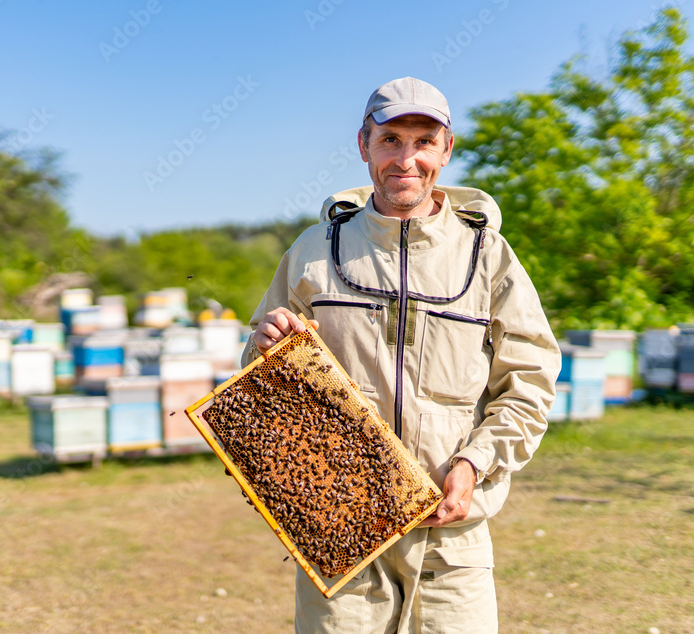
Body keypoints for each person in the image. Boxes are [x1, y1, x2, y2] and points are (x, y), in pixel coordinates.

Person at [242, 77, 561, 633]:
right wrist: (264, 343)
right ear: (363, 144)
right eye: (390, 140)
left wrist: (475, 463)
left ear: (446, 149)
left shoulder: (489, 255)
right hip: (339, 531)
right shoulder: (313, 250)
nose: (405, 159)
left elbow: (530, 383)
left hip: (450, 541)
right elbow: (257, 382)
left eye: (422, 141)